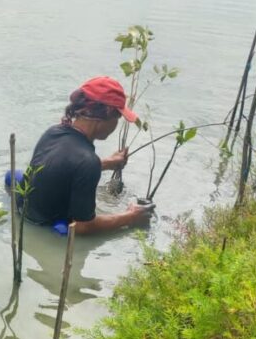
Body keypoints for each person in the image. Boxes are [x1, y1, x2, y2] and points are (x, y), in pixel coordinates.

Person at [21, 76, 155, 234]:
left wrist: (107, 163)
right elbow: (82, 226)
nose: (116, 124)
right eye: (117, 118)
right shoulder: (88, 162)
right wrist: (130, 217)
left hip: (25, 210)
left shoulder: (53, 132)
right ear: (106, 115)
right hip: (46, 225)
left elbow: (66, 165)